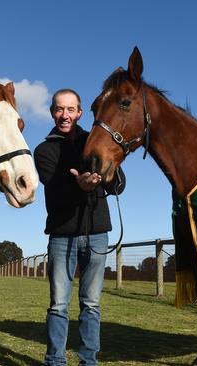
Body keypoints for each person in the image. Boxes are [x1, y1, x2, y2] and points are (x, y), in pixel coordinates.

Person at [34, 88, 125, 366]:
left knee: (92, 304)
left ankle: (89, 361)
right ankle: (55, 361)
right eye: (60, 109)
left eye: (71, 109)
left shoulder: (96, 139)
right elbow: (56, 190)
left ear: (80, 112)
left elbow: (118, 184)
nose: (65, 115)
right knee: (59, 305)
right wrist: (79, 185)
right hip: (62, 236)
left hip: (97, 234)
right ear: (52, 113)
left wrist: (109, 175)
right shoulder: (43, 150)